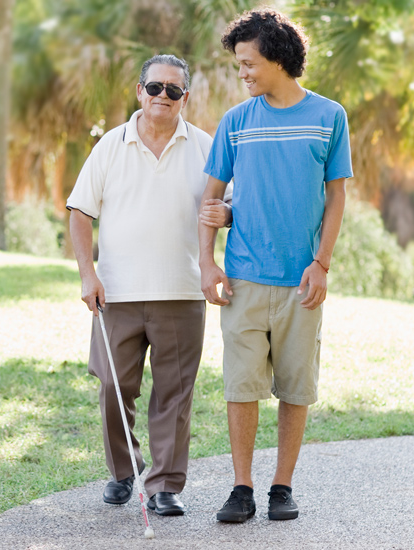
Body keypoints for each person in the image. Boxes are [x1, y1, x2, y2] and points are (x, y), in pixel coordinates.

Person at [198, 9, 352, 523]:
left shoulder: (329, 116)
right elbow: (211, 199)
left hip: (300, 281)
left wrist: (321, 264)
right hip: (242, 278)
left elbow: (336, 199)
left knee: (295, 386)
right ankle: (241, 488)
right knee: (241, 386)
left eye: (249, 62)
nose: (241, 72)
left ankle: (281, 486)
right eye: (238, 63)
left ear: (279, 59)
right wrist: (208, 262)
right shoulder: (236, 122)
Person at [67, 54, 230, 516]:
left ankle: (164, 485)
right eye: (155, 87)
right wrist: (87, 273)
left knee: (175, 394)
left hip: (181, 292)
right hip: (116, 293)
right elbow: (80, 211)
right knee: (113, 385)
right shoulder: (110, 146)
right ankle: (123, 471)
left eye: (173, 90)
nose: (163, 96)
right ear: (139, 90)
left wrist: (226, 222)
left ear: (185, 97)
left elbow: (228, 205)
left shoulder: (205, 146)